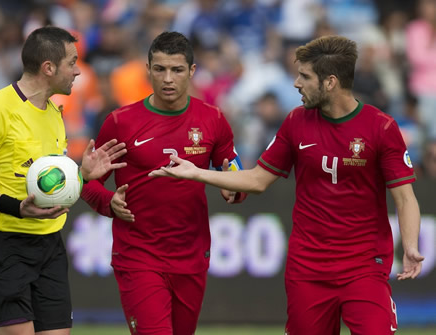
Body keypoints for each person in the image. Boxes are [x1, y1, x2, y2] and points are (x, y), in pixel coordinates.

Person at [149, 35, 425, 335]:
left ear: (330, 82)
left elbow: (405, 198)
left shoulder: (380, 127)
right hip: (307, 269)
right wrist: (198, 172)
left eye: (305, 76)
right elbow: (256, 179)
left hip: (364, 267)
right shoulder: (296, 122)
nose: (296, 83)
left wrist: (410, 246)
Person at [0, 26, 127, 335]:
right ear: (49, 67)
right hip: (2, 243)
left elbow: (47, 182)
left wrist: (81, 175)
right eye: (72, 63)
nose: (78, 72)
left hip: (49, 244)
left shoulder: (53, 114)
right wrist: (15, 207)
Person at [81, 31, 246, 335]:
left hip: (192, 256)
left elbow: (234, 173)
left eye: (177, 69)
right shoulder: (121, 122)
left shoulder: (213, 119)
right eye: (160, 69)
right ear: (148, 70)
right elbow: (88, 183)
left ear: (192, 72)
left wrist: (234, 190)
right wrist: (108, 203)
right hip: (138, 255)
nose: (168, 78)